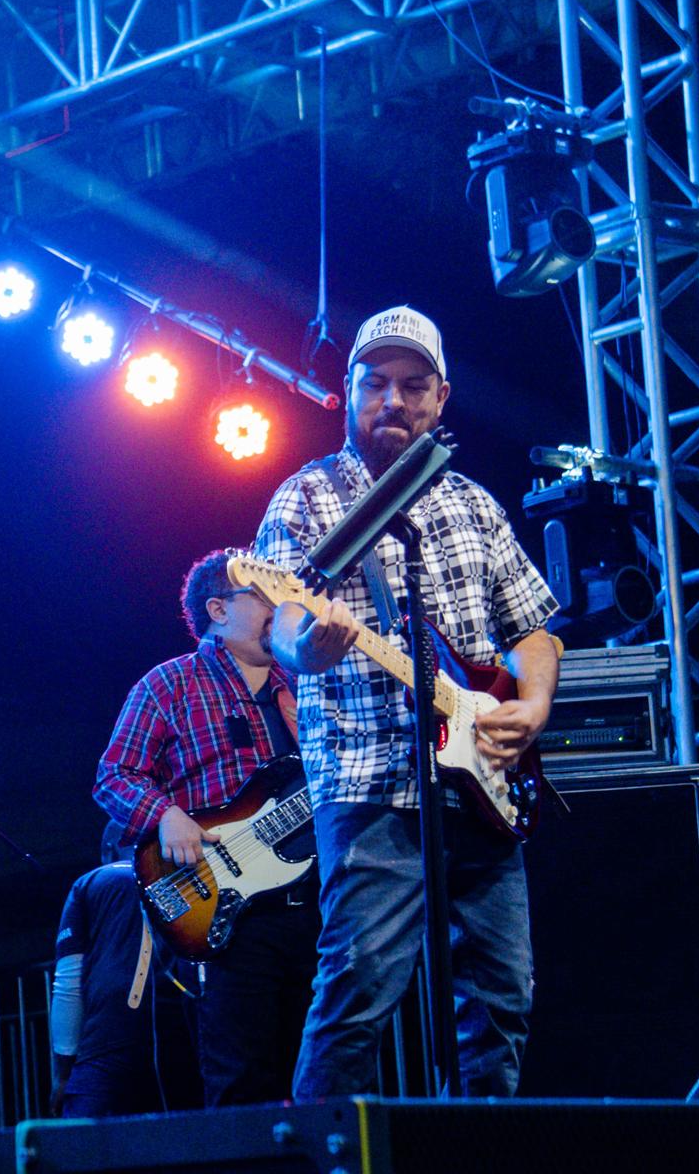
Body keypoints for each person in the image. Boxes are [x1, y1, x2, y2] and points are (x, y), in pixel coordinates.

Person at [256, 305, 559, 1099]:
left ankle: (477, 1153)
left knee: (501, 1003)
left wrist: (532, 705)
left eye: (412, 385)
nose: (392, 399)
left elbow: (533, 631)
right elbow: (283, 625)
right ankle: (322, 1153)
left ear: (441, 397)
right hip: (369, 787)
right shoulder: (306, 500)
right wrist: (307, 647)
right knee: (356, 999)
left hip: (483, 787)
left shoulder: (473, 504)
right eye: (375, 383)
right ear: (350, 390)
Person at [92, 551, 320, 1107]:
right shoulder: (169, 684)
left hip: (319, 904)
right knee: (243, 1083)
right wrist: (165, 815)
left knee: (321, 1078)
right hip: (229, 913)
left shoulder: (306, 685)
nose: (280, 608)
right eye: (262, 597)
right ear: (218, 610)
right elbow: (113, 775)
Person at [50, 861, 169, 1117]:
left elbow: (68, 983)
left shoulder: (91, 882)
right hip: (179, 1032)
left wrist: (63, 1073)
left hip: (109, 1035)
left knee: (87, 1139)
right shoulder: (189, 872)